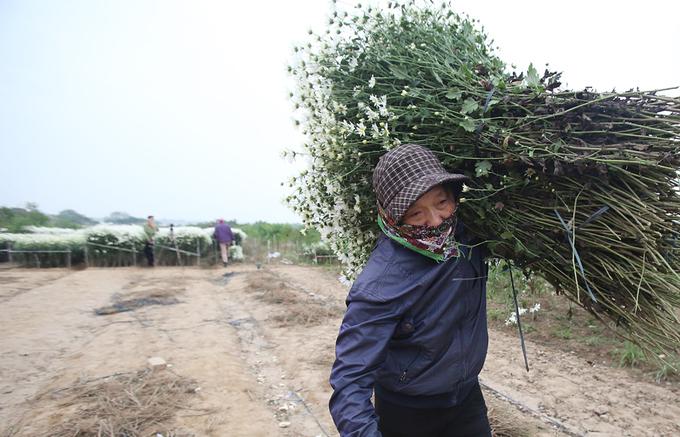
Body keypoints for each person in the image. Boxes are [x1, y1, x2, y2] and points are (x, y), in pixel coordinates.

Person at [329, 144, 491, 437]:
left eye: (441, 202)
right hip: (409, 413)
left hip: (466, 400)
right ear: (394, 217)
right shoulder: (381, 283)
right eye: (416, 214)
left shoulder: (467, 237)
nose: (435, 220)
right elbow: (349, 379)